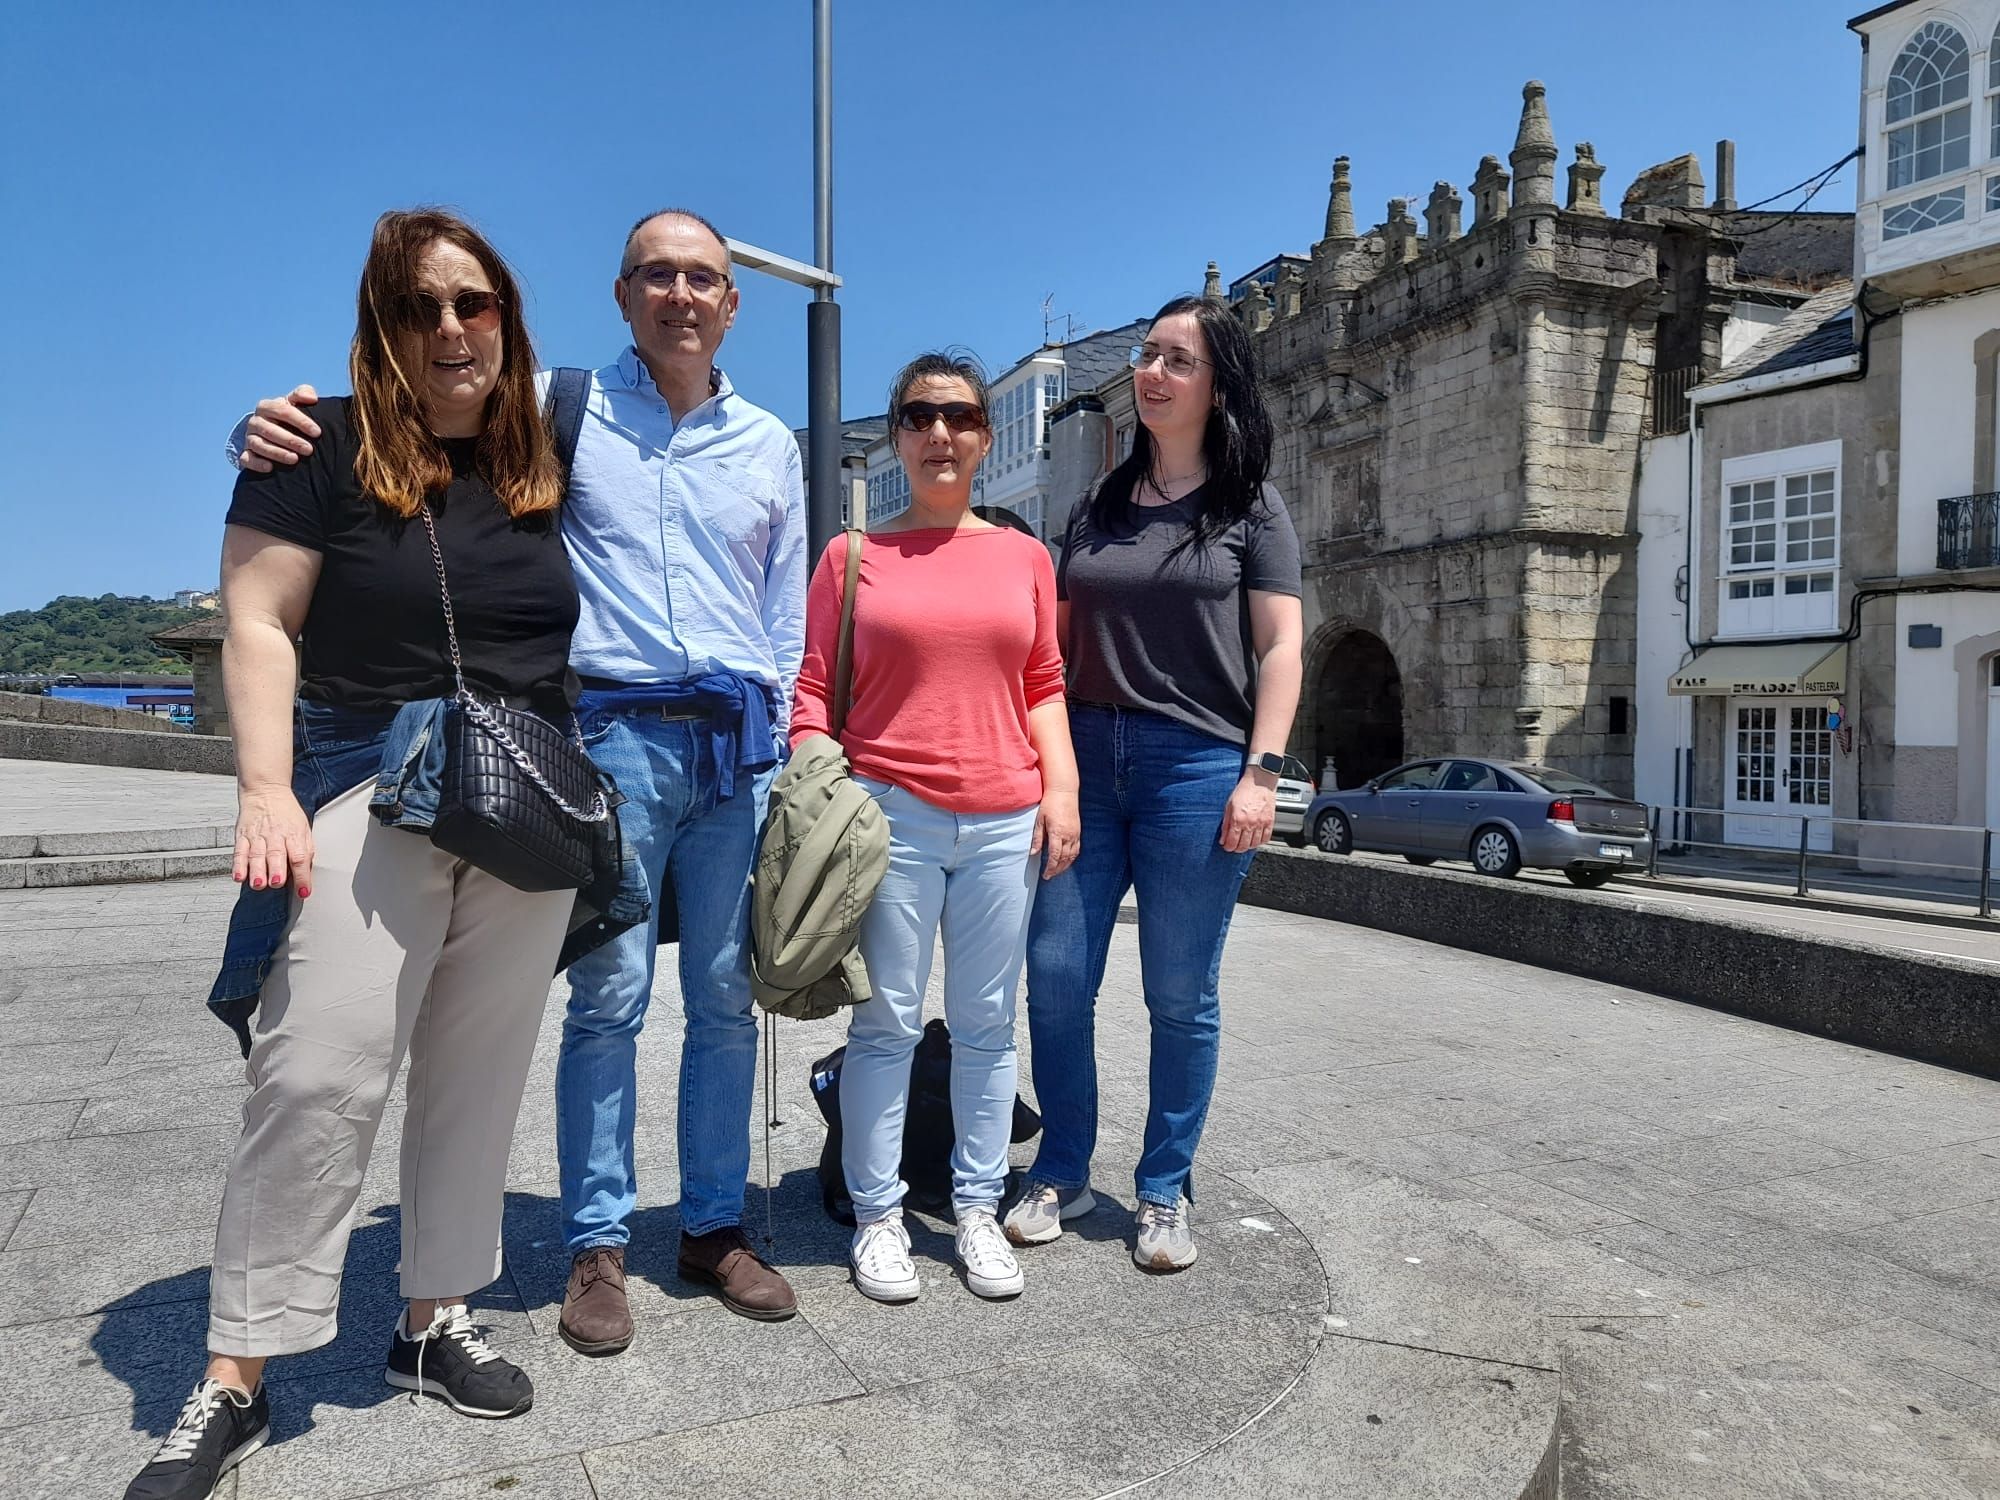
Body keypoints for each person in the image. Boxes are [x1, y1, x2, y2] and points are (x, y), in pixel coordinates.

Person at [233, 209, 808, 1352]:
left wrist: (780, 730)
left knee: (727, 1000)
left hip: (734, 748)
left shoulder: (773, 444)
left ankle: (711, 1224)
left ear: (732, 303)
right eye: (656, 275)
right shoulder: (558, 405)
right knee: (607, 1000)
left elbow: (780, 604)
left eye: (702, 278)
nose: (680, 295)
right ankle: (596, 1245)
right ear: (622, 294)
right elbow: (418, 400)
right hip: (610, 737)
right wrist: (271, 428)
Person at [128, 209, 581, 1500]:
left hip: (525, 806)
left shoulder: (543, 455)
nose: (451, 329)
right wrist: (264, 788)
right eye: (420, 308)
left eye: (474, 304)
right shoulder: (312, 444)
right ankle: (235, 1376)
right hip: (371, 787)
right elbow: (259, 621)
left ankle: (429, 1320)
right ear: (382, 326)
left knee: (477, 1075)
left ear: (508, 317)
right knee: (315, 1070)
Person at [1002, 295, 1304, 1272]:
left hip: (1196, 763)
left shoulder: (1248, 508)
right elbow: (1048, 639)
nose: (1152, 373)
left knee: (1178, 993)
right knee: (1054, 980)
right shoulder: (1096, 503)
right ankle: (1061, 1167)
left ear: (1217, 386)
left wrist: (1259, 772)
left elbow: (1281, 646)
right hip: (1085, 757)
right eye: (1146, 355)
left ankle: (1163, 1186)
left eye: (1177, 360)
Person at [791, 352, 1079, 1302]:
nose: (940, 433)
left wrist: (1062, 787)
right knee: (887, 1026)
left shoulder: (1023, 555)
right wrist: (808, 774)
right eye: (919, 416)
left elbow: (1042, 682)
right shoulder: (853, 555)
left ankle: (976, 1208)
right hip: (891, 815)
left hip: (1005, 814)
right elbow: (813, 686)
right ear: (898, 437)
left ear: (986, 436)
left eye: (959, 416)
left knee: (992, 1028)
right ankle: (878, 1218)